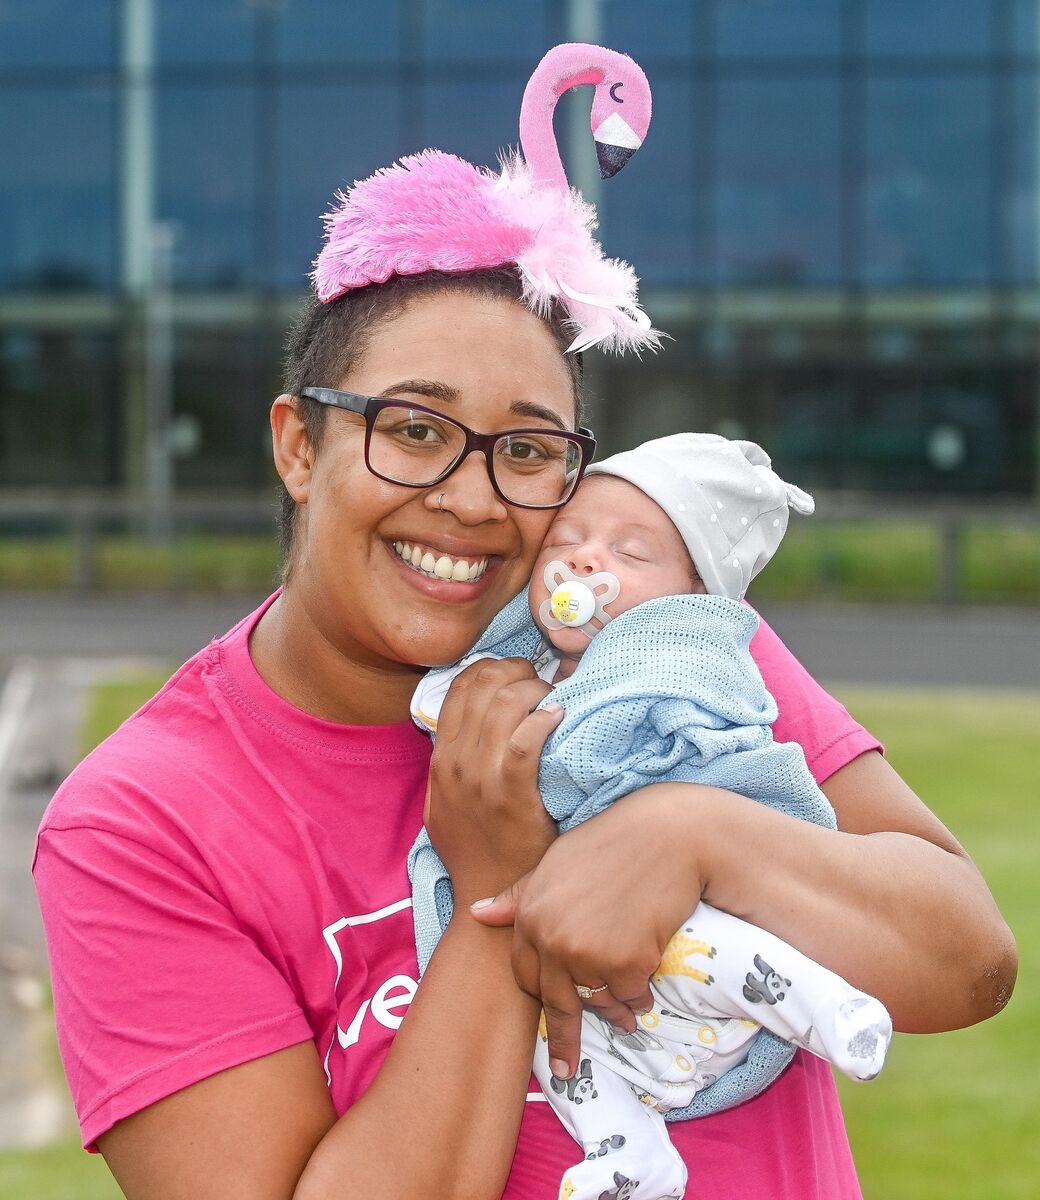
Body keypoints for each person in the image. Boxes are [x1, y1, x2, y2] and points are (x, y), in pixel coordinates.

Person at [32, 43, 1015, 1200]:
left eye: (530, 451)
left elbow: (963, 961)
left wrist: (689, 835)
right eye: (411, 428)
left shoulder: (658, 640)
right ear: (300, 445)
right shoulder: (143, 823)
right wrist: (498, 890)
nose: (469, 496)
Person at [407, 432, 894, 1200]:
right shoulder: (521, 665)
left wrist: (651, 820)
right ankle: (631, 1156)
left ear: (695, 597)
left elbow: (665, 754)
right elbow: (449, 703)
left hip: (684, 921)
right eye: (566, 541)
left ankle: (829, 1012)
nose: (586, 562)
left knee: (716, 949)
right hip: (585, 974)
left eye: (630, 553)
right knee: (554, 1051)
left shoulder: (685, 663)